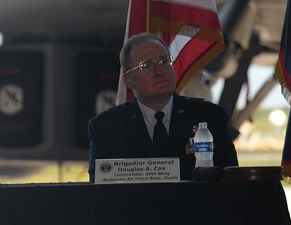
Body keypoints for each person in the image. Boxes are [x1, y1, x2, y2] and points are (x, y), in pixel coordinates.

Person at [87, 33, 237, 180]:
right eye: (146, 66)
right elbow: (100, 189)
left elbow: (232, 179)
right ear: (129, 80)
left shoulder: (210, 117)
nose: (159, 71)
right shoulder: (107, 127)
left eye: (164, 62)